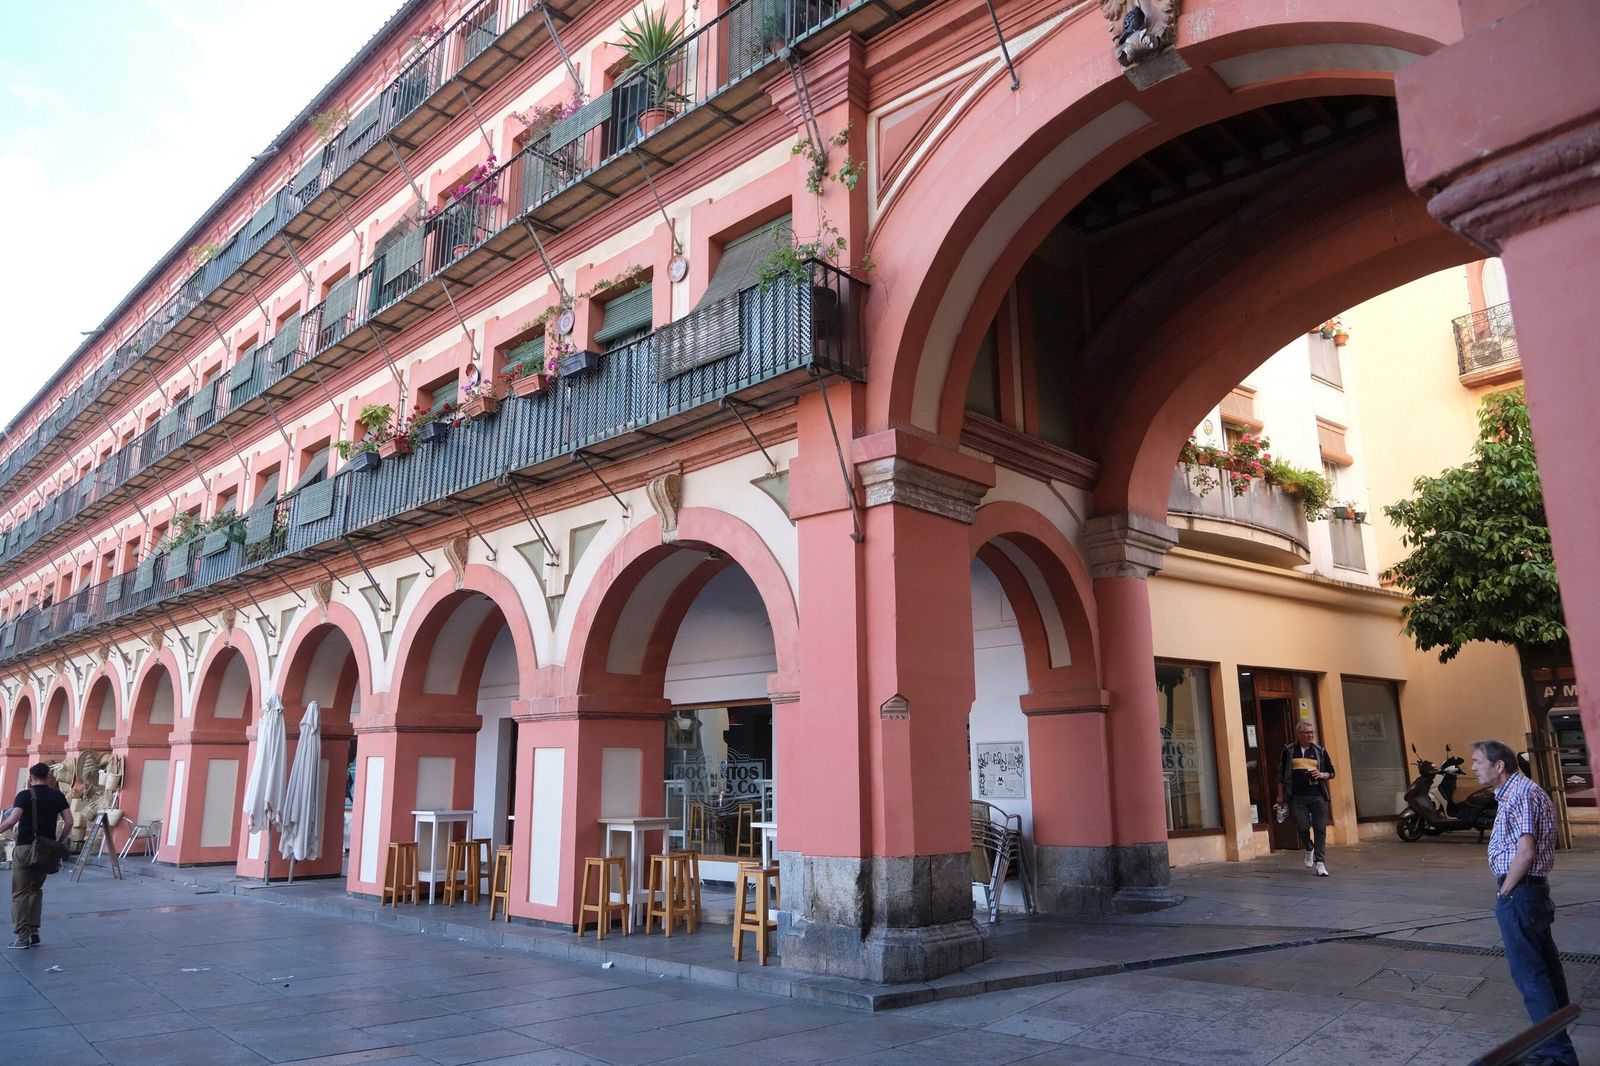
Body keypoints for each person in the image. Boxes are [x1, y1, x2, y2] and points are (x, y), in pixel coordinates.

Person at [1471, 739, 1579, 1066]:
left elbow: (1526, 851)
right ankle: (1553, 1042)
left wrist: (1505, 893)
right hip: (1529, 892)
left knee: (1531, 975)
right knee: (1545, 970)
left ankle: (1558, 1056)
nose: (1474, 767)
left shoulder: (1520, 794)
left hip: (1520, 892)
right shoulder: (1519, 792)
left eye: (1478, 761)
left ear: (1498, 765)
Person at [1, 762, 72, 949]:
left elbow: (13, 819)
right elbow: (69, 822)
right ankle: (33, 932)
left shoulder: (24, 795)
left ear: (31, 778)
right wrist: (59, 841)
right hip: (46, 849)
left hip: (25, 847)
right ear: (48, 777)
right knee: (35, 889)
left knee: (20, 893)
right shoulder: (57, 796)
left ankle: (22, 937)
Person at [1276, 719, 1335, 876]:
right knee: (1302, 826)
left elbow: (1332, 772)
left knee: (1320, 828)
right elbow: (1281, 774)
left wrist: (1322, 774)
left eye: (1312, 732)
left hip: (1317, 796)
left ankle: (1320, 862)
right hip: (1296, 796)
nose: (1311, 735)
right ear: (1298, 734)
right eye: (1307, 732)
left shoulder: (1320, 751)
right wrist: (1280, 794)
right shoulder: (1288, 751)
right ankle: (1309, 847)